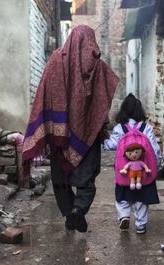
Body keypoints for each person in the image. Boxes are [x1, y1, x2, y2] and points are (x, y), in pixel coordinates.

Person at [22, 25, 119, 232]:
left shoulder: (56, 59)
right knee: (86, 179)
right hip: (88, 136)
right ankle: (78, 211)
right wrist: (101, 126)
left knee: (60, 179)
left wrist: (49, 122)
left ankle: (68, 213)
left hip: (60, 134)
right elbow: (102, 104)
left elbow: (44, 91)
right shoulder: (99, 67)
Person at [104, 94, 163, 234]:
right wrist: (157, 166)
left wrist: (104, 140)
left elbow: (110, 145)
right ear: (139, 111)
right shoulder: (146, 128)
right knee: (141, 199)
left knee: (122, 195)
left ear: (123, 111)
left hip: (125, 171)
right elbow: (155, 150)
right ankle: (140, 225)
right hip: (143, 171)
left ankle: (124, 216)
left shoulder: (120, 128)